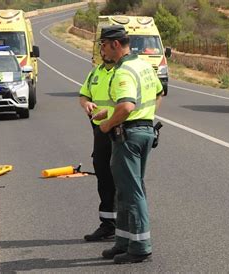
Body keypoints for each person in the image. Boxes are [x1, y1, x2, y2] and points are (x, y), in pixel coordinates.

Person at [96, 25, 163, 264]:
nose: (101, 50)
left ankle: (141, 246)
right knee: (125, 190)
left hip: (128, 135)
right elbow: (158, 93)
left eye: (103, 45)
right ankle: (123, 241)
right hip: (144, 131)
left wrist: (107, 125)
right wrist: (144, 118)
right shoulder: (144, 65)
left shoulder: (123, 70)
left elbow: (126, 107)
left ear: (115, 44)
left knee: (133, 192)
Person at [79, 49, 117, 242]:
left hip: (119, 130)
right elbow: (83, 95)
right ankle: (108, 225)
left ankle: (127, 225)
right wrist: (86, 104)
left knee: (122, 179)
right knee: (103, 177)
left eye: (107, 47)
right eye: (101, 47)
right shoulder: (95, 72)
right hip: (100, 132)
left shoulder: (122, 72)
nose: (103, 52)